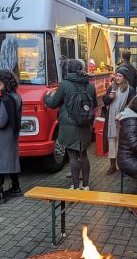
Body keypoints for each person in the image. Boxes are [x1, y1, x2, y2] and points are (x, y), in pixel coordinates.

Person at [44, 59, 97, 190]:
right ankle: (86, 185)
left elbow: (52, 103)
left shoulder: (64, 85)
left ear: (68, 70)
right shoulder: (90, 85)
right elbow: (94, 105)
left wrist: (47, 96)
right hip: (85, 124)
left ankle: (74, 185)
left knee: (73, 155)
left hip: (69, 125)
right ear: (81, 69)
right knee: (84, 155)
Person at [0, 70, 22, 204]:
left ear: (5, 82)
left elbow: (1, 122)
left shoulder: (5, 100)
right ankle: (16, 187)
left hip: (1, 136)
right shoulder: (16, 96)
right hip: (12, 134)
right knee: (11, 160)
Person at [103, 67, 136, 175]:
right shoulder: (111, 87)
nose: (117, 78)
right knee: (112, 142)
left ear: (124, 78)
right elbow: (105, 102)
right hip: (111, 120)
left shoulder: (130, 90)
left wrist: (121, 114)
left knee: (122, 143)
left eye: (120, 76)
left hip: (123, 120)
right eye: (116, 75)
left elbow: (132, 106)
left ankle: (123, 166)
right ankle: (112, 166)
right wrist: (109, 97)